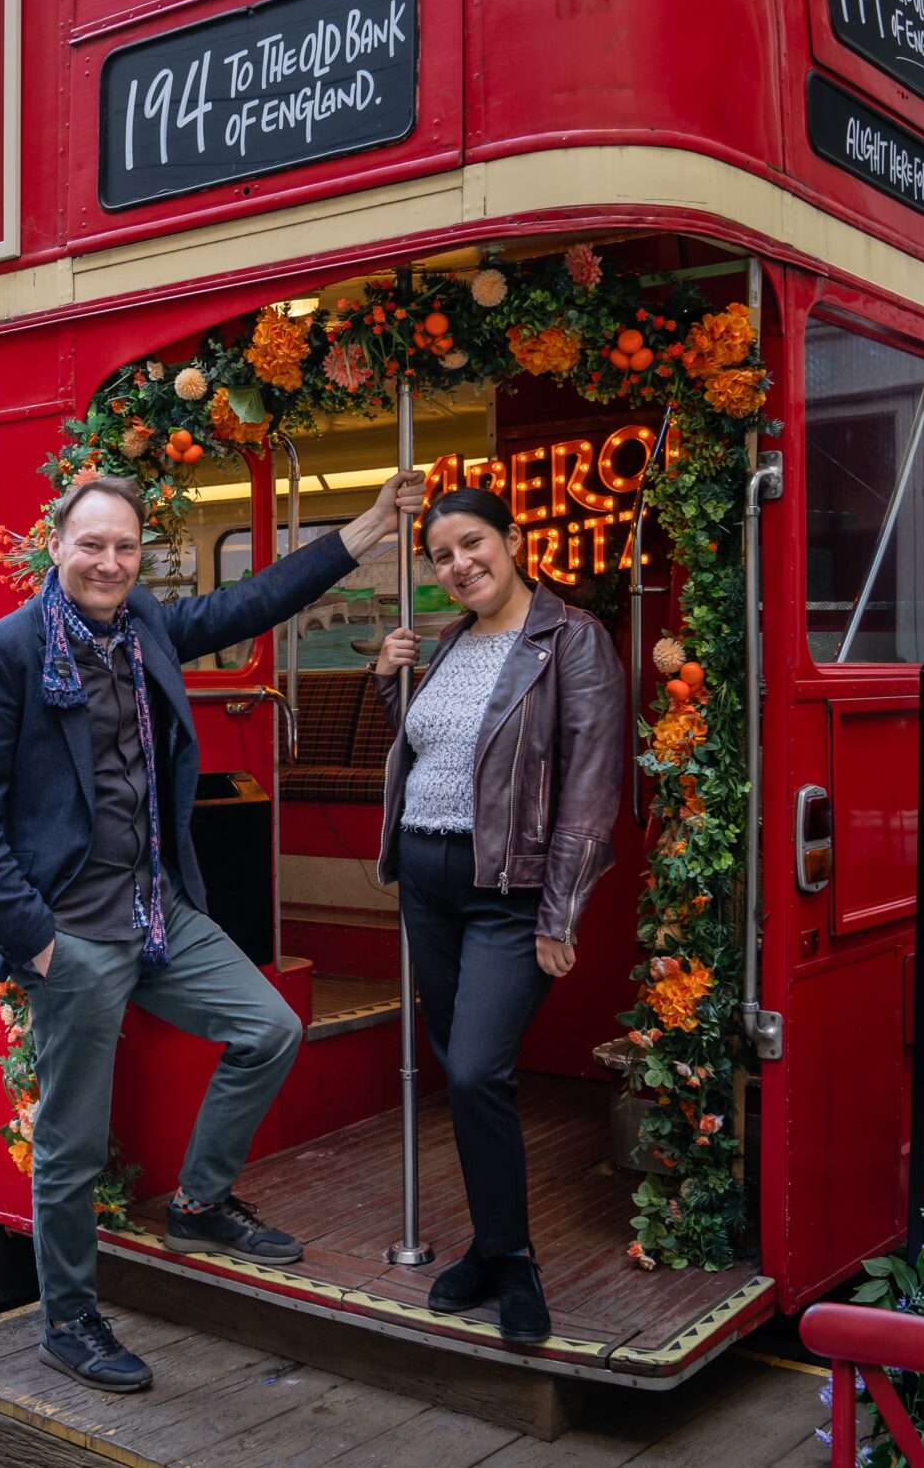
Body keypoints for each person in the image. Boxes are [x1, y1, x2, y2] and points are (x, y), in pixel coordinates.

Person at [0, 466, 425, 1393]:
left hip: (156, 912)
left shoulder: (145, 627)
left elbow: (251, 599)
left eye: (126, 547)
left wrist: (362, 531)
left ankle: (199, 1202)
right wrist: (39, 941)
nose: (110, 561)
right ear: (57, 549)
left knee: (270, 1026)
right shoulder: (3, 655)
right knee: (72, 1144)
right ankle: (68, 1318)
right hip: (72, 936)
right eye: (93, 544)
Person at [370, 486, 624, 1344]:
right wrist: (384, 682)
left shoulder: (571, 639)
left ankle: (514, 1264)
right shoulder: (443, 643)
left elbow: (591, 787)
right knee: (460, 1071)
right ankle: (492, 1244)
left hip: (508, 891)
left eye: (472, 543)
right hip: (426, 879)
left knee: (479, 1069)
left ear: (513, 540)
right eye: (442, 556)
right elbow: (424, 750)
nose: (459, 565)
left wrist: (561, 913)